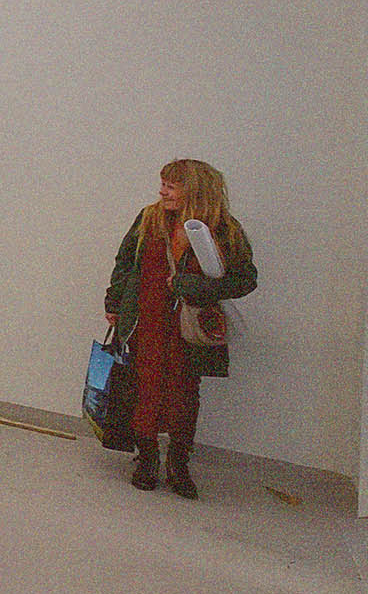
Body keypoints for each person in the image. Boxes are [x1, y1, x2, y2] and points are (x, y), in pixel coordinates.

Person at [103, 159, 257, 499]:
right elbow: (125, 263)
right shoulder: (149, 218)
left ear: (195, 191)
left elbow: (246, 279)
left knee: (184, 393)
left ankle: (178, 463)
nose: (162, 192)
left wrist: (196, 287)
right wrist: (113, 302)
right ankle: (146, 458)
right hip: (146, 320)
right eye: (163, 185)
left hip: (191, 329)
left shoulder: (223, 229)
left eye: (170, 187)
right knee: (143, 387)